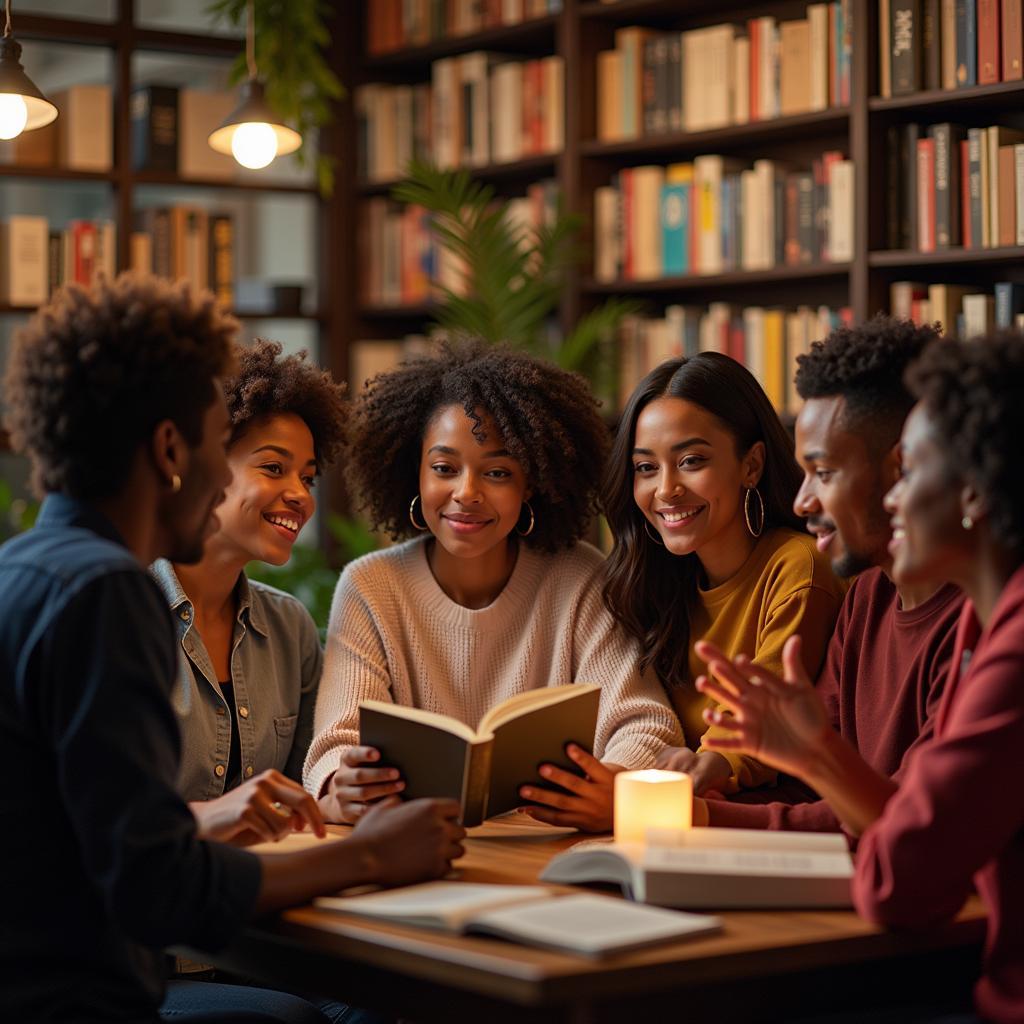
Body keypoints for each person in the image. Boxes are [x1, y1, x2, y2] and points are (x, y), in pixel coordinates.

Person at [0, 274, 464, 1023]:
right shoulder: (107, 593)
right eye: (225, 449)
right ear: (169, 449)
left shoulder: (25, 570)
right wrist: (373, 852)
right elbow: (158, 887)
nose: (221, 475)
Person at [694, 333, 1024, 1023]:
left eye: (913, 470)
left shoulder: (1008, 647)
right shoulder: (962, 620)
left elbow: (904, 880)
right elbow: (896, 833)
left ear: (973, 490)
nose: (897, 496)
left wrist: (818, 756)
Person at [304, 340, 683, 833]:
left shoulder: (579, 578)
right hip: (414, 847)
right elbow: (336, 742)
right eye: (444, 468)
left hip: (549, 849)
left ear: (531, 485)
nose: (466, 493)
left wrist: (612, 783)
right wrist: (341, 785)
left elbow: (646, 722)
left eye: (498, 472)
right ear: (412, 471)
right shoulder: (371, 586)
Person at [703, 316, 964, 831]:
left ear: (901, 468)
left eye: (823, 473)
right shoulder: (867, 596)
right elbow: (825, 792)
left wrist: (703, 817)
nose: (802, 501)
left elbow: (907, 826)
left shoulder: (976, 625)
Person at [599, 352, 845, 797]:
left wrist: (703, 765)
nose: (666, 489)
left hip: (769, 823)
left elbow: (762, 721)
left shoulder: (799, 567)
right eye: (646, 468)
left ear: (751, 464)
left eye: (691, 461)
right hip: (684, 813)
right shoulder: (656, 581)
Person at [152, 339, 346, 846]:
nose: (301, 496)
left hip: (258, 898)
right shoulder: (121, 612)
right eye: (273, 468)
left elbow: (307, 796)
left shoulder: (289, 627)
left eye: (308, 477)